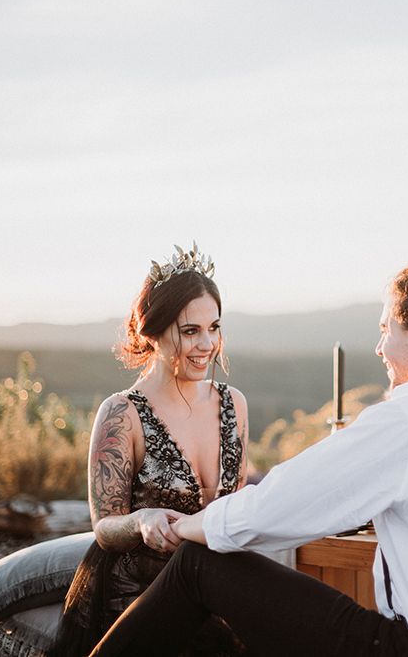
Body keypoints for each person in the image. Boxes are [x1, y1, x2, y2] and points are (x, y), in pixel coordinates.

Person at [89, 255, 408, 657]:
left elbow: (287, 501)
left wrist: (187, 526)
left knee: (198, 564)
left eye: (385, 329)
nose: (379, 347)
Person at [52, 244, 249, 656]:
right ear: (152, 331)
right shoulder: (122, 413)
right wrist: (142, 519)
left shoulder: (235, 405)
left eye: (214, 328)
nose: (206, 344)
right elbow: (104, 527)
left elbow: (237, 504)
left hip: (217, 586)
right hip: (140, 594)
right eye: (190, 331)